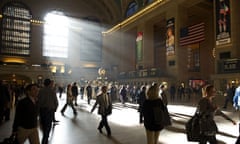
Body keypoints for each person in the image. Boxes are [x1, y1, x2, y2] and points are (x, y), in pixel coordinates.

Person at [38, 78, 59, 144]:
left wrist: (38, 110)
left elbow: (39, 101)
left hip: (42, 110)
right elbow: (56, 101)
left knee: (43, 124)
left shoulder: (40, 90)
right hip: (50, 110)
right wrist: (55, 109)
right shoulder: (52, 91)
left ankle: (45, 136)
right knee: (48, 125)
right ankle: (46, 137)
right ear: (50, 84)